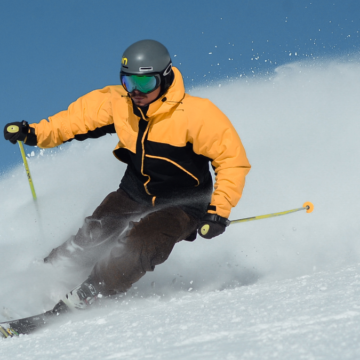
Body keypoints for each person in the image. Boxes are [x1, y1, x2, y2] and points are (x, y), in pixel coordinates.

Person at [3, 40, 251, 311]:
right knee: (93, 234)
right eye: (128, 82)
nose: (135, 92)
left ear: (165, 78)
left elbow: (232, 161)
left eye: (144, 84)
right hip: (135, 192)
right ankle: (41, 283)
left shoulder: (197, 115)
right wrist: (36, 133)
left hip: (185, 203)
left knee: (139, 244)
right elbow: (75, 120)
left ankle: (90, 292)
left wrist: (218, 211)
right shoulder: (120, 103)